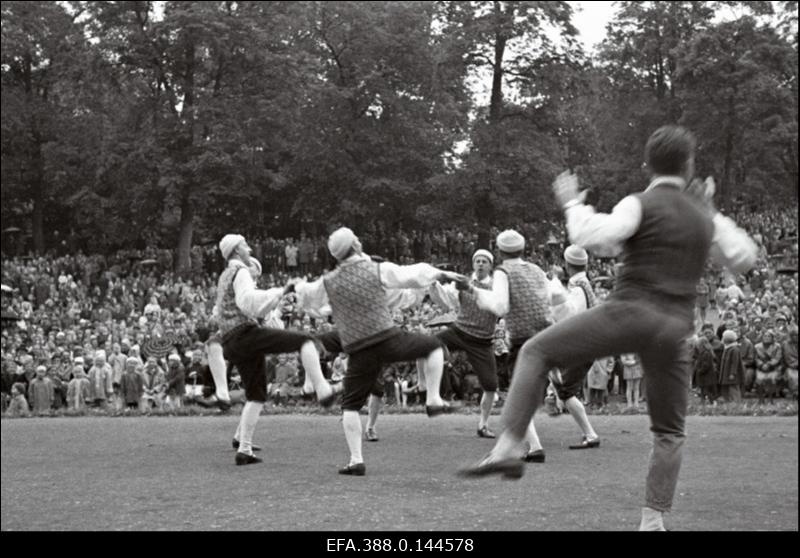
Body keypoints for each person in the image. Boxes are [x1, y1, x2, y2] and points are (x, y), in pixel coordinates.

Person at [458, 125, 757, 532]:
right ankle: (652, 520)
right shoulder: (704, 217)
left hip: (630, 311)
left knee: (535, 352)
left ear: (646, 166)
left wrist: (572, 204)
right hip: (674, 330)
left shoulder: (639, 203)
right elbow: (743, 257)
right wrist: (710, 210)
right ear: (689, 166)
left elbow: (593, 237)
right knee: (670, 430)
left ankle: (510, 446)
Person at [294, 227, 463, 476]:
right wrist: (443, 273)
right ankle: (433, 398)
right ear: (355, 246)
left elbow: (308, 300)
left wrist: (295, 289)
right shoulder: (376, 268)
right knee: (435, 346)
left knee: (350, 406)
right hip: (387, 338)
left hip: (358, 347)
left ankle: (356, 460)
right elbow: (413, 274)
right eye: (358, 239)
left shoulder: (328, 281)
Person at [215, 234, 335, 466]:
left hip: (232, 340)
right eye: (245, 246)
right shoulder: (240, 273)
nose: (249, 249)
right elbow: (249, 302)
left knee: (256, 394)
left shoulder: (224, 275)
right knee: (306, 340)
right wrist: (281, 291)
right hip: (245, 334)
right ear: (237, 251)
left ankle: (244, 448)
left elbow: (238, 308)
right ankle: (320, 389)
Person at [457, 229, 568, 463]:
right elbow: (557, 296)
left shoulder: (502, 272)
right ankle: (537, 436)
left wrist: (474, 291)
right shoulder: (536, 269)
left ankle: (530, 446)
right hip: (547, 333)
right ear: (523, 249)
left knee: (517, 398)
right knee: (524, 396)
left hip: (523, 340)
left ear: (499, 251)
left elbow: (500, 307)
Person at [425, 248, 501, 438]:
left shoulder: (497, 287)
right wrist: (433, 284)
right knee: (427, 344)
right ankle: (431, 395)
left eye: (484, 261)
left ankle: (483, 425)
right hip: (459, 331)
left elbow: (502, 308)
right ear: (473, 264)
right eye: (478, 261)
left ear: (490, 266)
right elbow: (445, 299)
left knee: (491, 386)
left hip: (482, 341)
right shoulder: (462, 283)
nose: (481, 264)